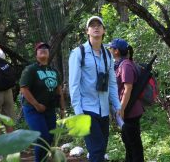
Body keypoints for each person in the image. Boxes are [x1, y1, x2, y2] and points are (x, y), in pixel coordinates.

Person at [69, 16, 122, 162]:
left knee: (100, 150)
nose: (96, 27)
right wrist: (78, 112)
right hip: (87, 109)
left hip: (104, 110)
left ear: (104, 30)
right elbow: (73, 84)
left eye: (99, 25)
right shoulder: (78, 53)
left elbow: (112, 83)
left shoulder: (107, 54)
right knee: (97, 149)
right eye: (92, 25)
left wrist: (117, 106)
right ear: (87, 31)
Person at [19, 42, 65, 162]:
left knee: (49, 138)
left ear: (49, 54)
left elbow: (59, 90)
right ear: (36, 54)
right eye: (40, 48)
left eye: (46, 48)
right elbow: (24, 89)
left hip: (49, 110)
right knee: (41, 137)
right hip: (33, 109)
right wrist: (36, 105)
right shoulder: (31, 70)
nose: (43, 49)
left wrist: (62, 108)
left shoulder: (54, 71)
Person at [109, 38, 144, 162]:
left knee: (134, 145)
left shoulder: (126, 65)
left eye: (111, 48)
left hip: (130, 111)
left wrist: (121, 109)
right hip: (127, 110)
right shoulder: (121, 64)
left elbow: (128, 88)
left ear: (117, 51)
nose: (110, 50)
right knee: (128, 142)